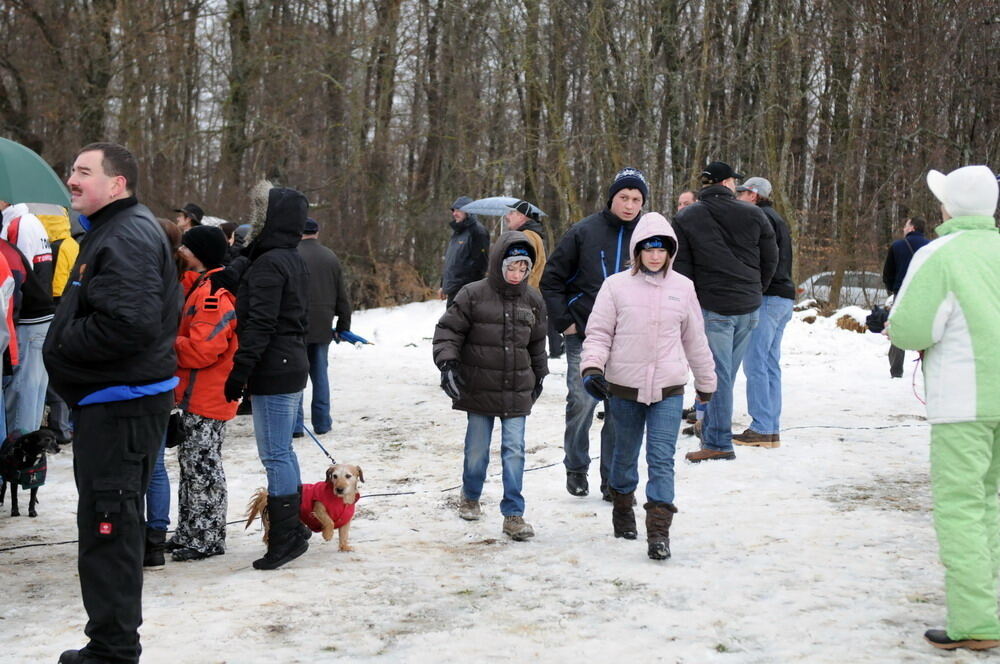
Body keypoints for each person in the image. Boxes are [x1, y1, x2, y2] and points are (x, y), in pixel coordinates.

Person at [44, 142, 179, 664]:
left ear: (117, 183)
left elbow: (129, 324)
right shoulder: (113, 230)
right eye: (72, 170)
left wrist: (61, 342)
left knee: (111, 529)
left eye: (84, 171)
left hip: (121, 407)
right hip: (112, 404)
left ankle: (113, 652)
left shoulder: (125, 235)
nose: (72, 180)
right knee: (109, 526)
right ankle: (110, 644)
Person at [887, 165, 1000, 652]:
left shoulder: (938, 254)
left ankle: (976, 620)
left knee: (961, 508)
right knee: (989, 504)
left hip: (964, 402)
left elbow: (911, 328)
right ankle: (985, 607)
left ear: (950, 206)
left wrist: (895, 328)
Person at [581, 212, 715, 559]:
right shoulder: (615, 286)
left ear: (670, 252)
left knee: (661, 458)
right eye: (649, 249)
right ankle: (622, 508)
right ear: (637, 251)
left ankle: (658, 532)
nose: (655, 256)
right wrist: (592, 368)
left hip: (668, 390)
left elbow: (695, 339)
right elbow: (599, 333)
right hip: (624, 389)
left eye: (661, 249)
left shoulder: (683, 287)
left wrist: (706, 382)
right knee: (624, 457)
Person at [433, 232, 548, 541]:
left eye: (523, 268)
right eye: (511, 267)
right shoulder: (472, 294)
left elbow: (538, 343)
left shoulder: (533, 299)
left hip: (517, 388)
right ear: (499, 264)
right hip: (479, 387)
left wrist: (540, 375)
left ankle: (513, 514)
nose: (517, 274)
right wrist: (447, 365)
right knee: (477, 450)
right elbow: (448, 332)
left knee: (514, 451)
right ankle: (471, 495)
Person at [541, 167, 647, 498]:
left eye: (636, 199)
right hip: (585, 334)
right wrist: (566, 322)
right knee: (582, 402)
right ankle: (576, 466)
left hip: (629, 339)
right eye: (624, 197)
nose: (629, 205)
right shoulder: (583, 231)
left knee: (619, 410)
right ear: (612, 198)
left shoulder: (648, 237)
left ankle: (611, 479)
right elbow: (551, 280)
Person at [224, 181, 310, 571]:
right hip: (289, 361)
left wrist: (240, 372)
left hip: (277, 365)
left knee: (275, 454)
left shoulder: (272, 263)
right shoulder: (288, 257)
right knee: (282, 452)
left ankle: (285, 538)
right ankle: (293, 529)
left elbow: (260, 322)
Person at [672, 161, 777, 462]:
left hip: (714, 305)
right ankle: (712, 433)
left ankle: (718, 442)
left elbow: (682, 266)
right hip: (748, 306)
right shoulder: (753, 213)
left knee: (716, 376)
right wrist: (756, 289)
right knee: (724, 375)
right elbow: (771, 258)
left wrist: (692, 302)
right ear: (727, 182)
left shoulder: (687, 217)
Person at [169, 225, 239, 562]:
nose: (181, 251)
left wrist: (168, 342)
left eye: (186, 247)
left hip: (208, 396)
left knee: (203, 469)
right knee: (191, 466)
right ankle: (189, 532)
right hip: (198, 395)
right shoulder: (200, 284)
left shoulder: (213, 294)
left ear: (200, 254)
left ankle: (206, 538)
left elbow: (203, 349)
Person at [734, 176, 795, 448]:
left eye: (742, 193)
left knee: (755, 362)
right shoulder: (777, 218)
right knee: (770, 363)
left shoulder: (759, 218)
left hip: (768, 297)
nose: (738, 197)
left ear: (754, 195)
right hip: (783, 298)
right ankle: (770, 428)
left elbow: (758, 259)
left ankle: (761, 427)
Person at [0, 198, 54, 436]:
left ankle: (21, 452)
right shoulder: (32, 221)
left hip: (30, 319)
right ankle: (29, 448)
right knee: (33, 395)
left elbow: (16, 281)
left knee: (23, 395)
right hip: (41, 314)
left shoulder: (19, 225)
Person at [295, 217, 352, 437]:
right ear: (317, 232)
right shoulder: (330, 257)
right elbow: (341, 296)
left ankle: (295, 425)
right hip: (322, 325)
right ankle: (322, 422)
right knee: (320, 377)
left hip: (296, 326)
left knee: (295, 377)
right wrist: (343, 325)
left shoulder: (292, 255)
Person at [881, 216, 929, 378]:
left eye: (906, 225)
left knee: (897, 328)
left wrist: (892, 289)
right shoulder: (931, 247)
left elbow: (888, 274)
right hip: (925, 294)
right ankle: (927, 367)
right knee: (926, 329)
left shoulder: (897, 246)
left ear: (912, 228)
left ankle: (896, 370)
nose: (903, 228)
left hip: (902, 294)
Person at [439, 196, 489, 308]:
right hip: (453, 290)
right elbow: (451, 261)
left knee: (458, 319)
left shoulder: (478, 232)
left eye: (458, 210)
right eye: (453, 210)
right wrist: (444, 285)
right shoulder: (458, 232)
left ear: (468, 212)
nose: (454, 214)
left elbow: (480, 265)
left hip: (465, 292)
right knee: (451, 319)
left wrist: (468, 290)